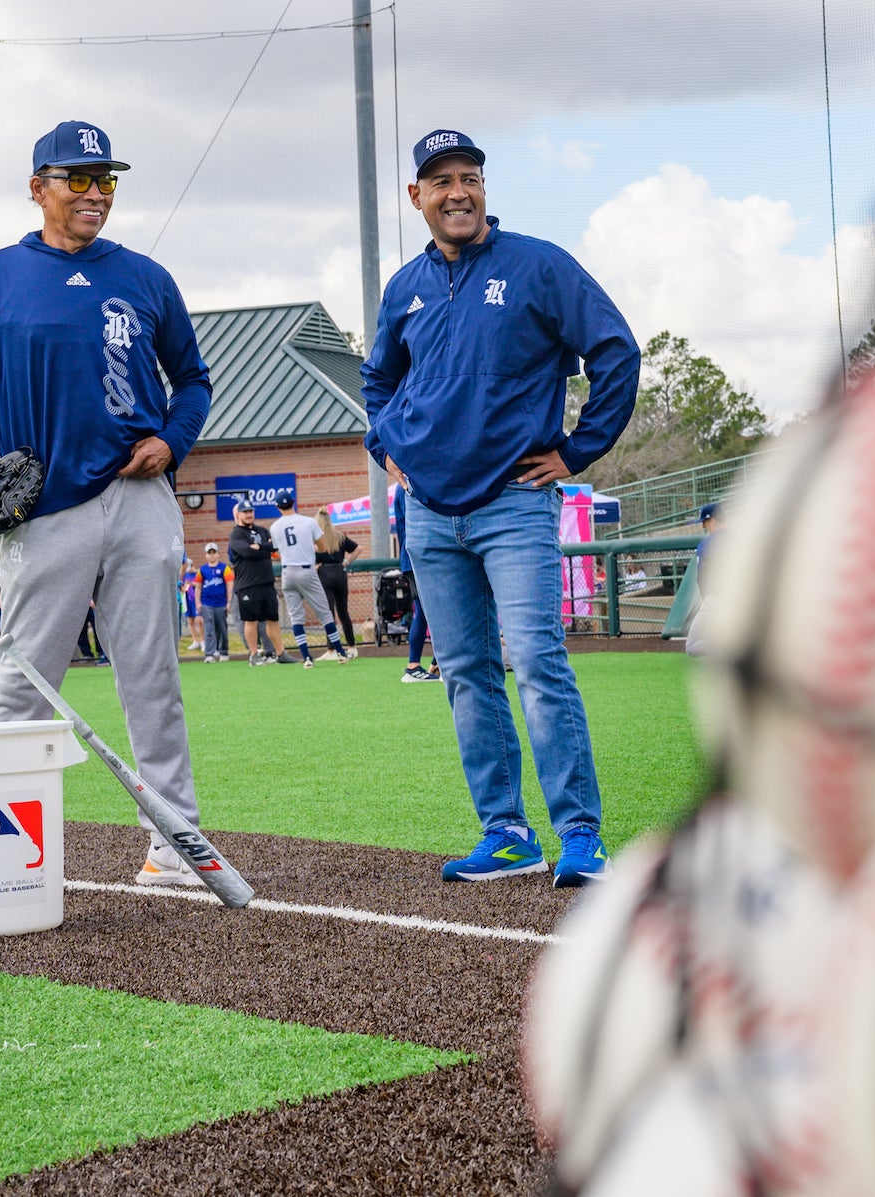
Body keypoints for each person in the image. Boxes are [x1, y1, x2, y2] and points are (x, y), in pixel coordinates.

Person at [0, 120, 211, 886]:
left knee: (153, 679)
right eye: (77, 178)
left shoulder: (145, 276)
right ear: (37, 186)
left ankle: (173, 845)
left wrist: (173, 441)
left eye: (106, 178)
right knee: (24, 681)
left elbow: (195, 379)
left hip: (140, 497)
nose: (95, 193)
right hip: (45, 509)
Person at [362, 130, 639, 887]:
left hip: (513, 505)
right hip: (429, 513)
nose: (458, 191)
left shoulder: (536, 265)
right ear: (416, 196)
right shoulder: (403, 287)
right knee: (466, 675)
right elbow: (378, 378)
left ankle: (580, 833)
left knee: (539, 664)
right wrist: (385, 441)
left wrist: (578, 452)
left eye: (471, 177)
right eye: (441, 180)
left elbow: (616, 350)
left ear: (484, 189)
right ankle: (507, 833)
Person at [269, 488, 356, 668]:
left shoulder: (275, 526)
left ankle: (307, 658)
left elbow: (275, 550)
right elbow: (323, 547)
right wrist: (308, 548)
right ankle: (340, 652)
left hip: (287, 572)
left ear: (278, 507)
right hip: (306, 570)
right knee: (324, 612)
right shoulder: (308, 522)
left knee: (296, 617)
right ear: (293, 502)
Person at [227, 498, 291, 666]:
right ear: (238, 514)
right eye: (245, 512)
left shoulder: (262, 530)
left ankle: (280, 653)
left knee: (272, 619)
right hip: (248, 584)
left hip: (267, 582)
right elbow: (246, 552)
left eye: (251, 512)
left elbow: (274, 547)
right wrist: (263, 548)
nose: (249, 515)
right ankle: (254, 655)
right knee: (251, 620)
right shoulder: (236, 534)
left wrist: (259, 547)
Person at [393, 480, 438, 683]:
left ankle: (436, 664)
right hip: (418, 556)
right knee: (426, 610)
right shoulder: (409, 481)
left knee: (430, 610)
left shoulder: (404, 482)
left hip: (412, 556)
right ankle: (413, 666)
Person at [314, 508, 361, 647]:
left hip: (324, 573)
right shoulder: (339, 536)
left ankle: (332, 647)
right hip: (340, 572)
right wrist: (346, 562)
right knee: (343, 612)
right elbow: (358, 548)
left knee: (329, 613)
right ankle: (352, 646)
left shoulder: (316, 538)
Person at [685, 502, 718, 658]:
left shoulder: (708, 543)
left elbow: (703, 574)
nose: (705, 528)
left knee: (692, 645)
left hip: (716, 597)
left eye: (705, 524)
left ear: (712, 521)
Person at [197, 541, 230, 661]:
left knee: (222, 628)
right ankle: (209, 654)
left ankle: (224, 652)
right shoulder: (202, 570)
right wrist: (198, 602)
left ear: (217, 554)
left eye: (213, 553)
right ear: (206, 555)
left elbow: (229, 585)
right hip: (207, 603)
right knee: (209, 628)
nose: (211, 555)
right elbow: (198, 587)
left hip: (221, 603)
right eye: (209, 553)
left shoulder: (224, 568)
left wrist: (229, 601)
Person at [180, 555, 204, 651]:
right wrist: (183, 587)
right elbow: (181, 587)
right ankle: (195, 640)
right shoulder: (184, 575)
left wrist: (193, 584)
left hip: (196, 600)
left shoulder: (198, 574)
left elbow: (201, 585)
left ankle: (203, 641)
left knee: (199, 621)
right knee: (190, 621)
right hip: (187, 600)